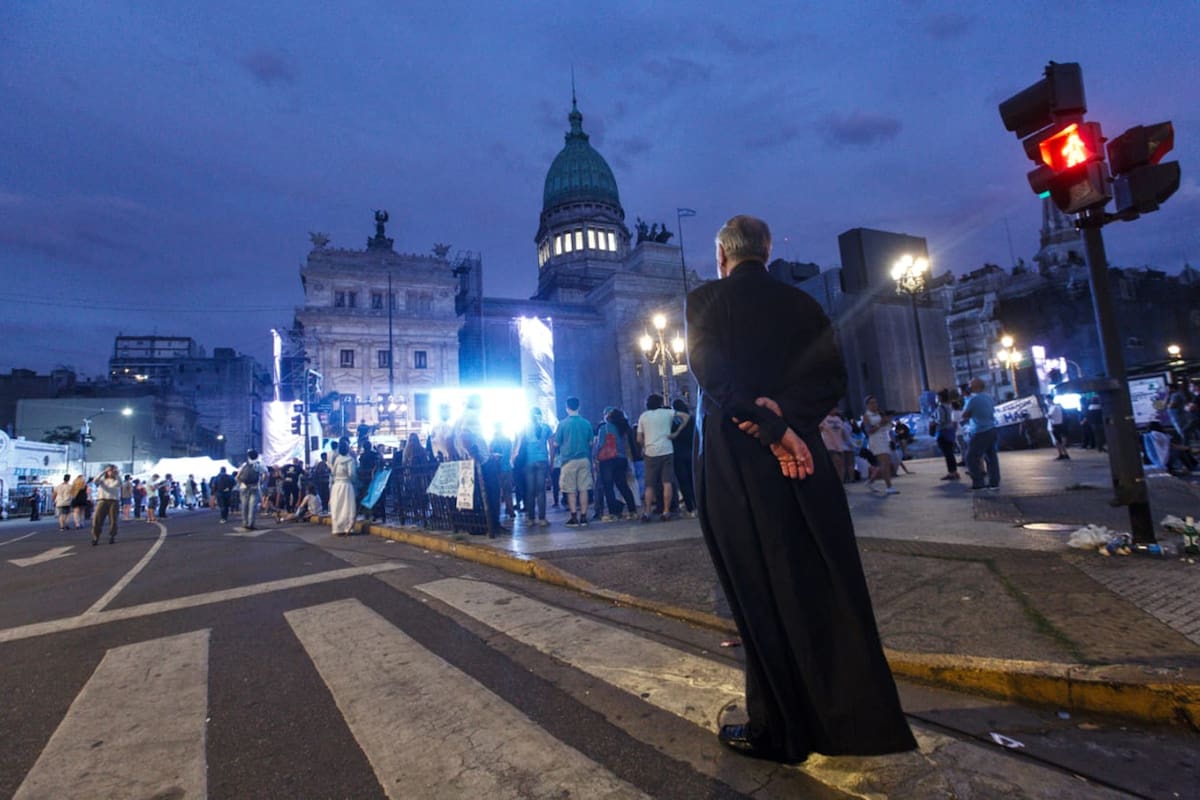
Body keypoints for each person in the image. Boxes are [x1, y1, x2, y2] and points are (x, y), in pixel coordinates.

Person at [686, 214, 914, 763]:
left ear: (722, 257)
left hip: (737, 466)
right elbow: (832, 378)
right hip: (803, 459)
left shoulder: (705, 301)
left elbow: (715, 379)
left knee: (756, 593)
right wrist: (786, 420)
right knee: (815, 580)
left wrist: (769, 427)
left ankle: (777, 730)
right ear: (766, 252)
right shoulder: (803, 304)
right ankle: (847, 720)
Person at [554, 397, 594, 527]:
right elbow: (591, 442)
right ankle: (584, 517)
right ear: (579, 407)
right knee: (584, 489)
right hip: (584, 459)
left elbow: (556, 443)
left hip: (568, 461)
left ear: (567, 408)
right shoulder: (586, 423)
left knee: (570, 490)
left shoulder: (562, 424)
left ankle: (573, 517)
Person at [637, 393, 676, 521]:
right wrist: (676, 433)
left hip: (650, 452)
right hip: (667, 450)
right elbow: (685, 416)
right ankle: (666, 511)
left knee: (649, 484)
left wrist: (644, 446)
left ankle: (647, 512)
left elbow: (639, 438)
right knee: (667, 483)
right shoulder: (667, 413)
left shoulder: (643, 416)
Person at [594, 407, 638, 520]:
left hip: (607, 460)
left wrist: (596, 458)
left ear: (609, 417)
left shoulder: (604, 428)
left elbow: (600, 445)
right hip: (622, 459)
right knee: (623, 485)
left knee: (608, 487)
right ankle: (632, 510)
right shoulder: (623, 428)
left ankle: (613, 513)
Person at [514, 407, 552, 527]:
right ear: (541, 415)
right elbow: (551, 445)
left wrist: (514, 459)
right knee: (541, 491)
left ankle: (530, 519)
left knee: (529, 491)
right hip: (542, 460)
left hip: (528, 461)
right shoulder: (546, 427)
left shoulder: (524, 427)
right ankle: (542, 519)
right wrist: (551, 461)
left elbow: (518, 446)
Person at [961, 377, 1000, 490]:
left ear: (976, 386)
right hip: (991, 429)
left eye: (970, 383)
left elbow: (964, 415)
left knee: (971, 457)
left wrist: (970, 412)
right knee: (991, 457)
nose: (968, 385)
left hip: (980, 431)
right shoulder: (989, 397)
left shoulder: (973, 399)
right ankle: (994, 482)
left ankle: (978, 482)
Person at [861, 396, 897, 495]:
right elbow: (868, 431)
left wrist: (888, 422)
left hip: (884, 438)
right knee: (885, 462)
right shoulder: (866, 416)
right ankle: (889, 486)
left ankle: (871, 481)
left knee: (884, 463)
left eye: (875, 402)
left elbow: (888, 426)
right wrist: (880, 424)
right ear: (867, 405)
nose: (874, 405)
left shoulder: (880, 413)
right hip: (875, 440)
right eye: (872, 403)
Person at [669, 398, 697, 517]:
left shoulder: (674, 420)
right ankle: (698, 504)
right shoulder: (692, 418)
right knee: (693, 480)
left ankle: (690, 508)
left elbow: (671, 435)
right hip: (691, 451)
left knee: (683, 481)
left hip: (677, 453)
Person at [330, 439, 358, 536]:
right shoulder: (350, 460)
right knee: (347, 507)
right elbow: (352, 475)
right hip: (346, 486)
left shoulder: (337, 460)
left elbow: (333, 472)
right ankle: (348, 528)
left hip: (336, 486)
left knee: (337, 507)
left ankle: (337, 528)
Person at [91, 464, 121, 545]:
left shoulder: (117, 479)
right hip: (102, 500)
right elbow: (95, 481)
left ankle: (112, 535)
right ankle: (95, 537)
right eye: (109, 471)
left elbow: (117, 484)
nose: (111, 472)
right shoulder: (102, 480)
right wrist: (103, 472)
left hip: (114, 501)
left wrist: (117, 474)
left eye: (112, 471)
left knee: (113, 520)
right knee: (97, 520)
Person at [933, 389, 960, 481]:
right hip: (950, 431)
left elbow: (940, 420)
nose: (936, 398)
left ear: (940, 398)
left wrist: (933, 422)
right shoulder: (950, 406)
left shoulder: (940, 408)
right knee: (950, 453)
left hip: (943, 432)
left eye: (937, 397)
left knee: (947, 453)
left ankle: (951, 473)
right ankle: (954, 471)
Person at [236, 451, 264, 531]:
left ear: (248, 456)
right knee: (252, 506)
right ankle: (251, 524)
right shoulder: (259, 465)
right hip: (254, 486)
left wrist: (241, 484)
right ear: (257, 456)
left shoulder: (244, 464)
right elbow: (266, 474)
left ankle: (244, 523)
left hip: (244, 487)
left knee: (244, 505)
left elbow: (237, 476)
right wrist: (261, 482)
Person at [1046, 395, 1070, 460]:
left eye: (1047, 399)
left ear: (1050, 399)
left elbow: (1049, 416)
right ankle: (1064, 454)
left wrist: (1046, 415)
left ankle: (1063, 454)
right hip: (1056, 425)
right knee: (1058, 441)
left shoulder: (1054, 407)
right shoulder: (1055, 407)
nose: (1046, 401)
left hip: (1054, 425)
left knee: (1058, 441)